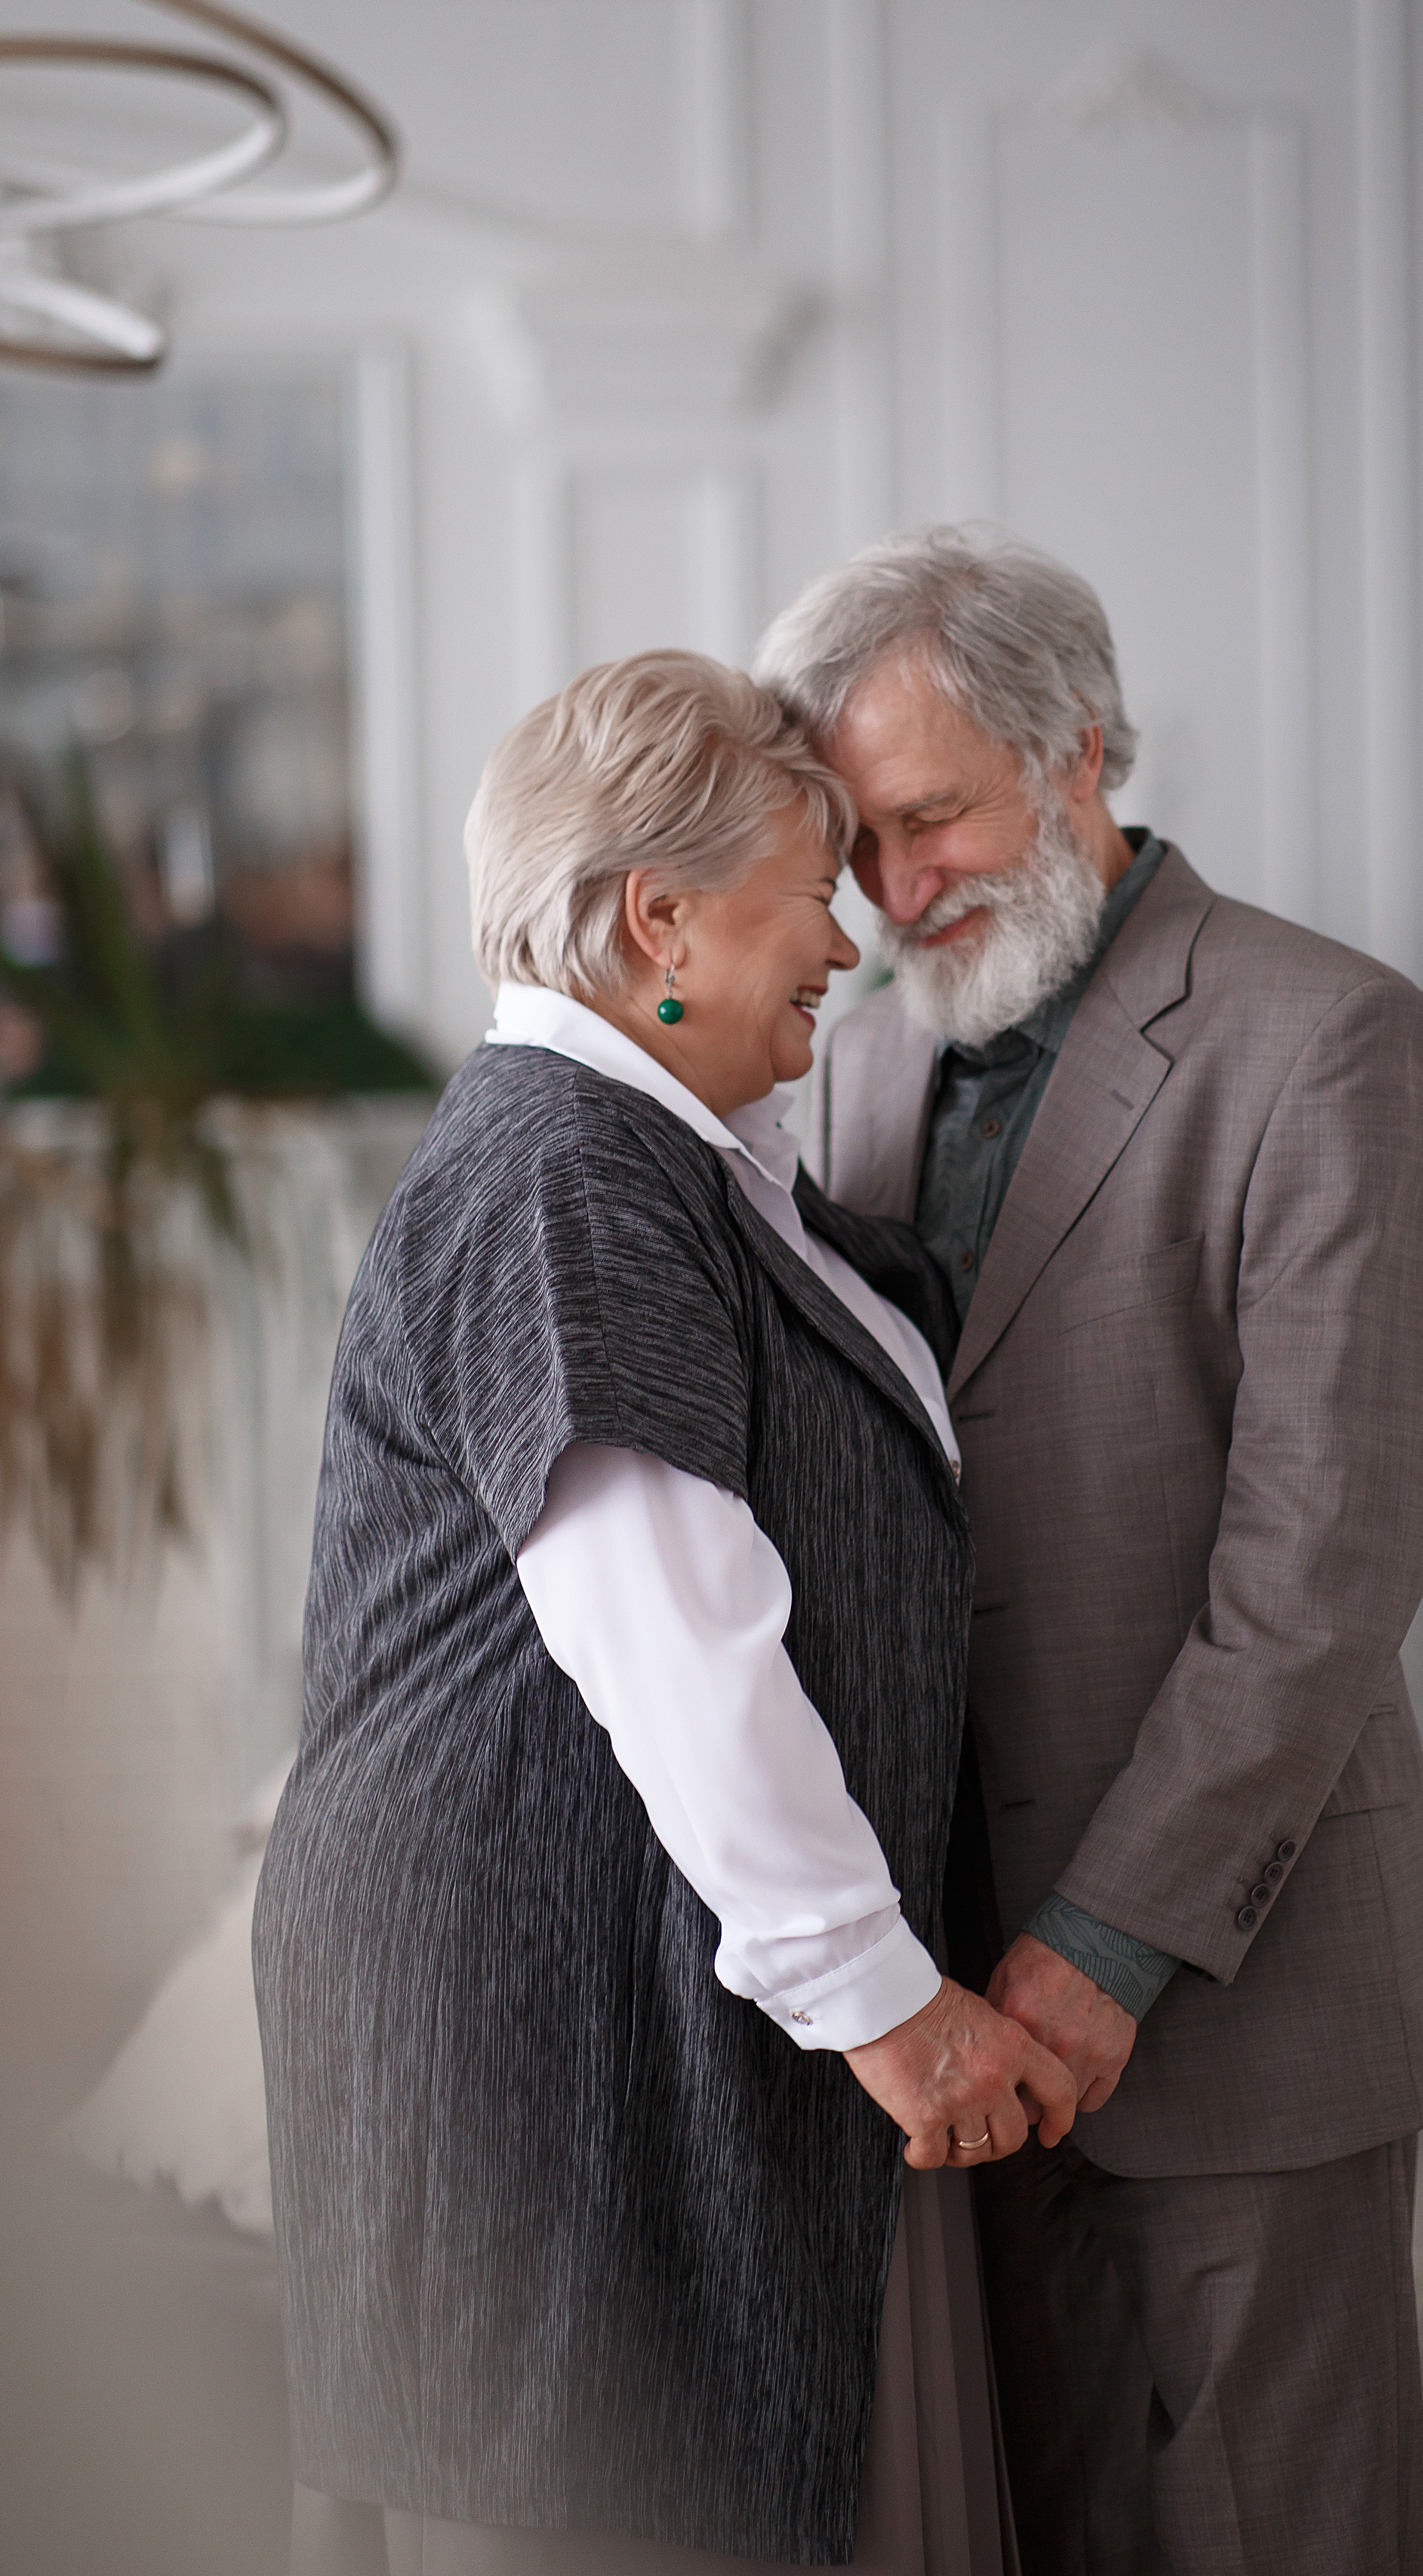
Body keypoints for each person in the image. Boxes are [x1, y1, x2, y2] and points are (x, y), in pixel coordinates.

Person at [254, 650, 1076, 2576]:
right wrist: (886, 2007)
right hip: (546, 1982)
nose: (849, 940)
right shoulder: (569, 1169)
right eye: (811, 886)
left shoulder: (666, 1158)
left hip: (610, 1960)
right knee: (606, 2498)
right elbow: (676, 1640)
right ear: (660, 916)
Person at [756, 530, 1423, 2576]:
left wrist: (1108, 1946)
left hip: (1223, 1985)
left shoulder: (1329, 1036)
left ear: (1081, 753)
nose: (893, 897)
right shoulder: (856, 1058)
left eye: (933, 818)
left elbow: (1321, 1569)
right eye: (854, 845)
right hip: (935, 1994)